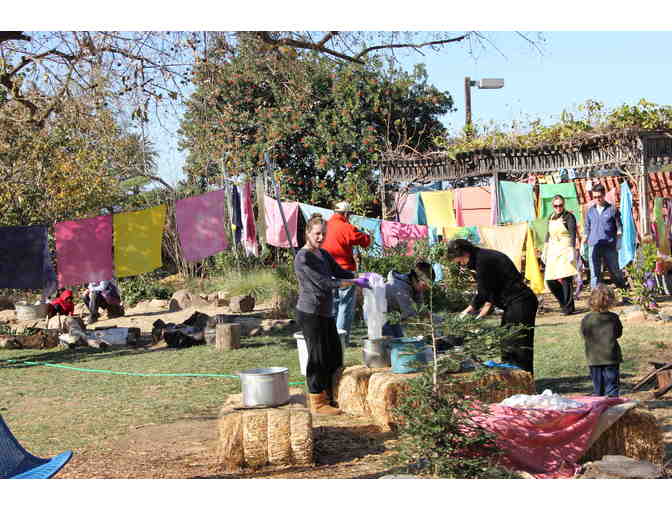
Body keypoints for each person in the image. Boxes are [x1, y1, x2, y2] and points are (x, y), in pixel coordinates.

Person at [294, 213, 370, 415]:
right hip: (311, 312)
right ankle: (317, 400)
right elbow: (324, 283)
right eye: (317, 234)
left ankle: (332, 393)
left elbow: (338, 271)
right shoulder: (303, 258)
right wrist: (354, 283)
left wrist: (359, 276)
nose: (320, 238)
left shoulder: (323, 254)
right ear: (308, 233)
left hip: (325, 312)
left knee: (334, 353)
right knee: (317, 355)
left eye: (323, 234)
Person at [446, 238, 538, 373]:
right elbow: (492, 290)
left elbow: (483, 292)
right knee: (507, 342)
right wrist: (481, 313)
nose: (461, 265)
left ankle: (523, 379)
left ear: (464, 253)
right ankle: (511, 376)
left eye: (460, 261)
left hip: (521, 302)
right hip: (513, 304)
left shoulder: (483, 260)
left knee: (518, 344)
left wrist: (466, 312)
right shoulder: (481, 258)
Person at [321, 201, 372, 344]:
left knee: (332, 306)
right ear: (345, 214)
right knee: (345, 306)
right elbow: (366, 241)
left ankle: (330, 339)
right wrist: (367, 235)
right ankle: (341, 340)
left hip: (325, 272)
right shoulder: (347, 227)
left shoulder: (324, 226)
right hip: (345, 272)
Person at [584, 184, 628, 295]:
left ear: (604, 195)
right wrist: (583, 244)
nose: (597, 199)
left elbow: (619, 227)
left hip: (609, 246)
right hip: (593, 245)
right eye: (595, 197)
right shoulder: (590, 211)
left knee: (615, 271)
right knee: (595, 274)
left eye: (599, 196)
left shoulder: (612, 209)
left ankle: (624, 294)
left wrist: (619, 240)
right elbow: (587, 229)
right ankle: (596, 299)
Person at [581, 284, 623, 397]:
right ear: (611, 301)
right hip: (611, 358)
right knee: (612, 387)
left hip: (594, 359)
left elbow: (584, 334)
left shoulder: (587, 318)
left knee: (598, 389)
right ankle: (613, 410)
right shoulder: (613, 317)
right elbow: (618, 333)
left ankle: (599, 411)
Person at [544, 195, 579, 315]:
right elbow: (548, 234)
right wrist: (545, 247)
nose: (558, 208)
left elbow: (573, 234)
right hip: (554, 249)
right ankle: (563, 303)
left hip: (565, 248)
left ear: (563, 205)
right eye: (556, 206)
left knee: (565, 278)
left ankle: (569, 308)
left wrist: (572, 250)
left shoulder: (568, 217)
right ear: (553, 206)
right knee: (550, 280)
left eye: (560, 205)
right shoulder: (551, 217)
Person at [383, 262, 436, 338]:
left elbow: (422, 310)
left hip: (392, 316)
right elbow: (411, 315)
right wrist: (427, 333)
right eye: (425, 285)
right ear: (415, 278)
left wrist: (441, 321)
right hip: (378, 315)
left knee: (398, 339)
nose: (426, 288)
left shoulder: (416, 288)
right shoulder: (398, 287)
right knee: (388, 343)